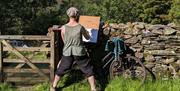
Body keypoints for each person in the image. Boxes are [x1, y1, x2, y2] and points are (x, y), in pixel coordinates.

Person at [51, 7, 97, 91]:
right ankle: (93, 89)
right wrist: (87, 32)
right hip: (79, 52)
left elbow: (64, 40)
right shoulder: (80, 27)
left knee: (61, 69)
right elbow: (87, 37)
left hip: (67, 52)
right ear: (77, 15)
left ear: (68, 16)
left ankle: (53, 87)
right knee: (88, 69)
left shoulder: (63, 28)